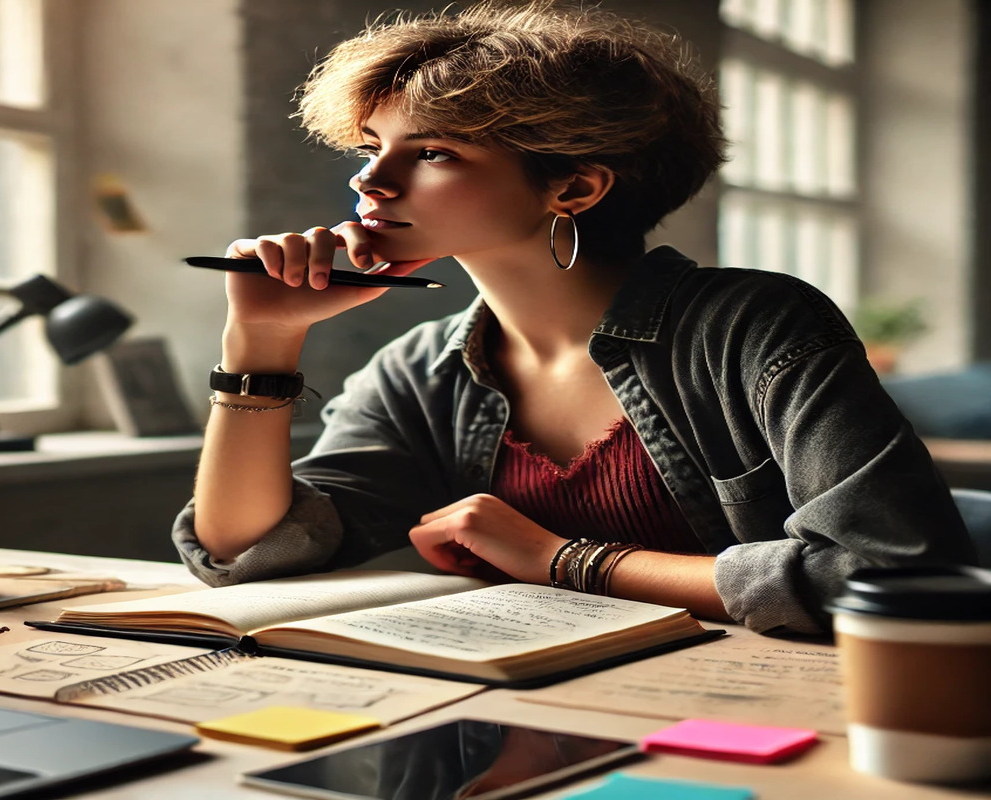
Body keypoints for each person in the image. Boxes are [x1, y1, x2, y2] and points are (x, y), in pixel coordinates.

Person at [174, 1, 974, 635]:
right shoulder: (420, 369)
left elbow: (890, 573)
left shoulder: (752, 328)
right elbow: (249, 549)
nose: (371, 184)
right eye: (371, 148)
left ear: (575, 189)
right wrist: (263, 339)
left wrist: (564, 560)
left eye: (432, 153)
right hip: (526, 709)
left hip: (760, 709)